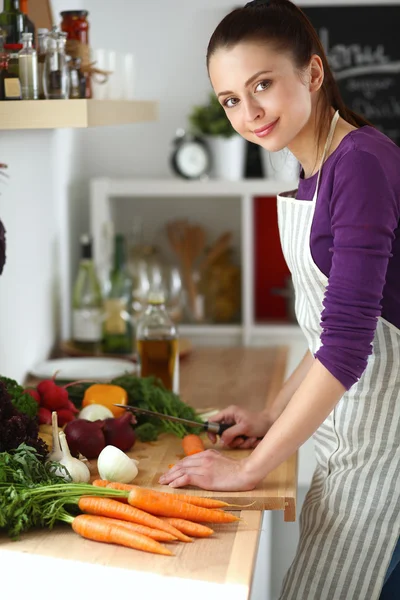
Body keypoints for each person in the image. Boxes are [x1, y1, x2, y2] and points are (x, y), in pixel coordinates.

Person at [159, 1, 400, 597]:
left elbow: (347, 348)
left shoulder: (361, 166)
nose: (250, 112)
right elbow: (327, 334)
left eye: (262, 84)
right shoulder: (315, 171)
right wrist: (269, 419)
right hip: (358, 443)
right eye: (231, 100)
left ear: (313, 74)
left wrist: (248, 470)